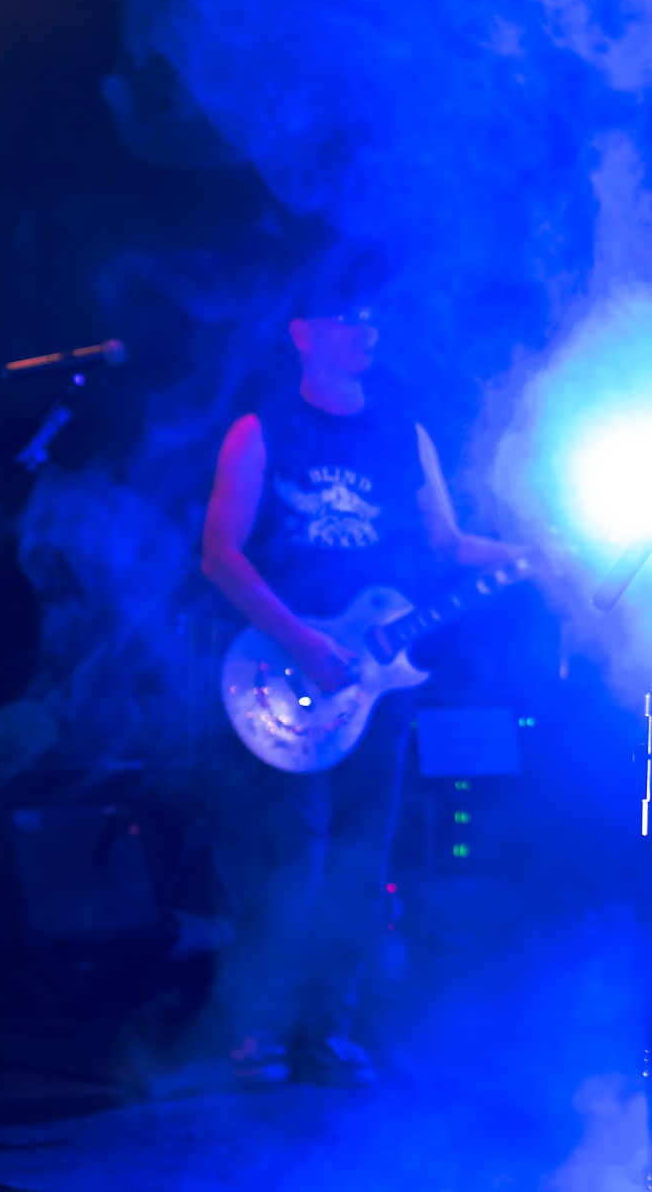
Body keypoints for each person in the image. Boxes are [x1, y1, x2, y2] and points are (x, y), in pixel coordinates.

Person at [200, 294, 516, 1086]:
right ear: (302, 332)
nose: (364, 330)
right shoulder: (260, 430)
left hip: (376, 684)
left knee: (359, 862)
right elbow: (220, 554)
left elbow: (447, 543)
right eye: (346, 316)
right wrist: (303, 641)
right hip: (282, 672)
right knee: (291, 861)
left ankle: (326, 1035)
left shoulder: (406, 435)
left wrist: (532, 550)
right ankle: (257, 1032)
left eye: (372, 318)